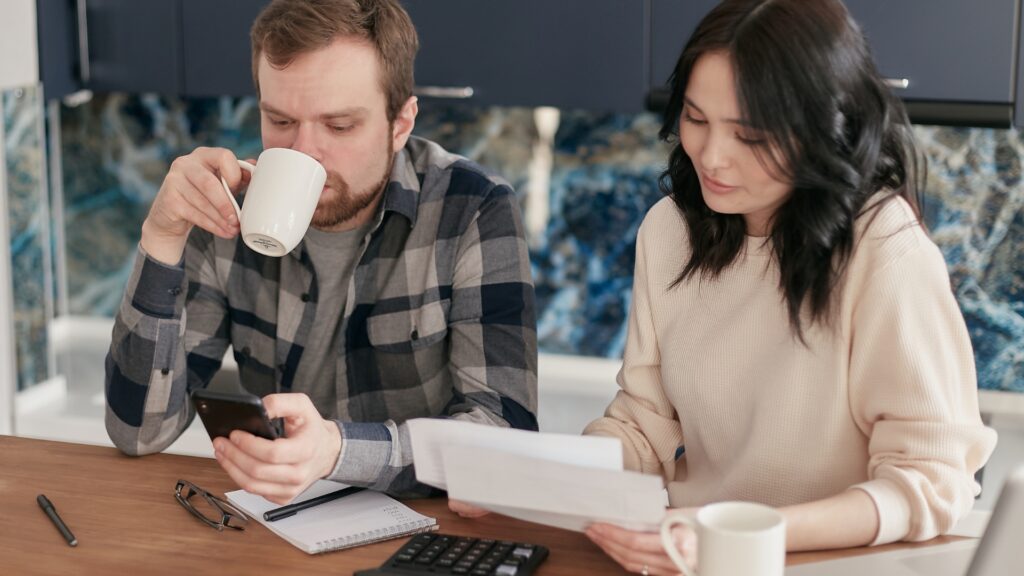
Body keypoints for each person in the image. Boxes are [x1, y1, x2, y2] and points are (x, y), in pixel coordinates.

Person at [579, 0, 997, 574]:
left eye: (749, 135)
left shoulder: (885, 249)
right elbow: (642, 424)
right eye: (696, 119)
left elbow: (931, 480)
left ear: (823, 128)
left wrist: (747, 537)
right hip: (691, 558)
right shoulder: (669, 230)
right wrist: (548, 474)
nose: (711, 155)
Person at [105, 0, 537, 503]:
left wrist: (336, 452)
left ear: (401, 123)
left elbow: (504, 441)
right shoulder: (227, 205)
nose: (303, 151)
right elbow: (138, 433)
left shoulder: (473, 209)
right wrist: (161, 238)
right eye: (281, 120)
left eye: (339, 126)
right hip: (278, 525)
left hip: (423, 532)